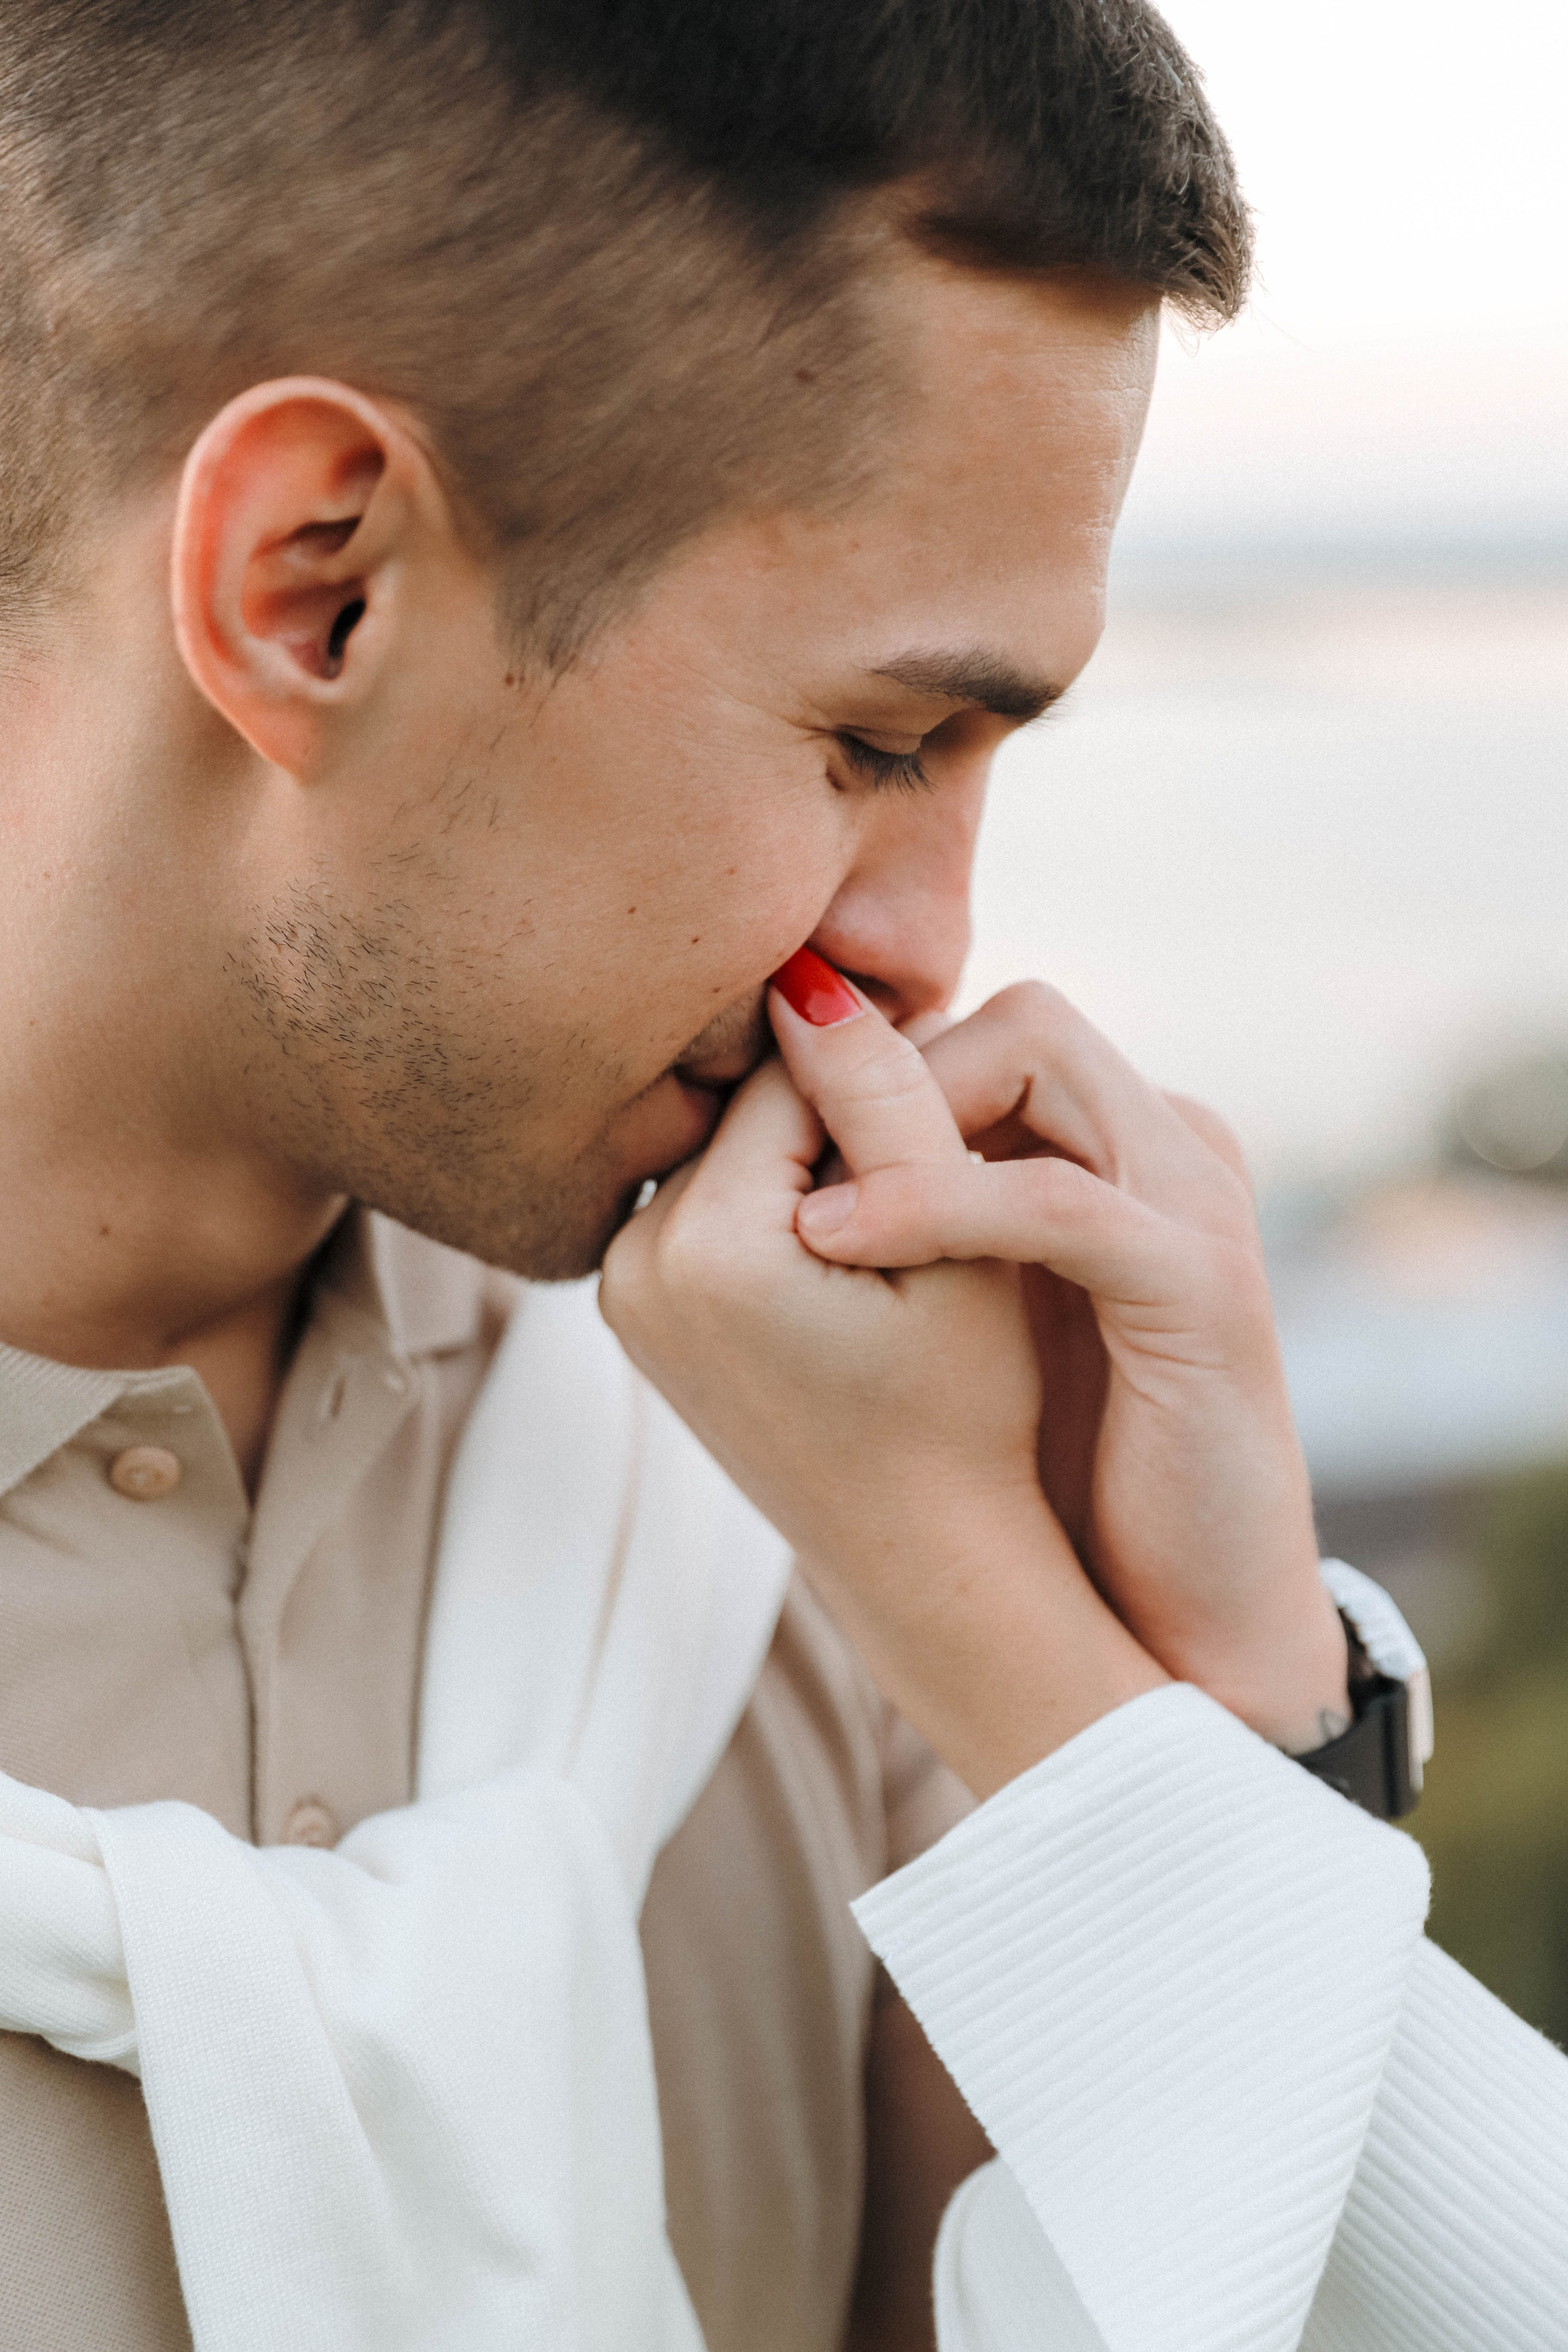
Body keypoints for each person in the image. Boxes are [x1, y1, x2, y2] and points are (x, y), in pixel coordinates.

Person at [0, 2, 1561, 2348]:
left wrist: (1194, 1718)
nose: (929, 949)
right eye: (879, 741)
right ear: (315, 588)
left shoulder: (815, 1502)